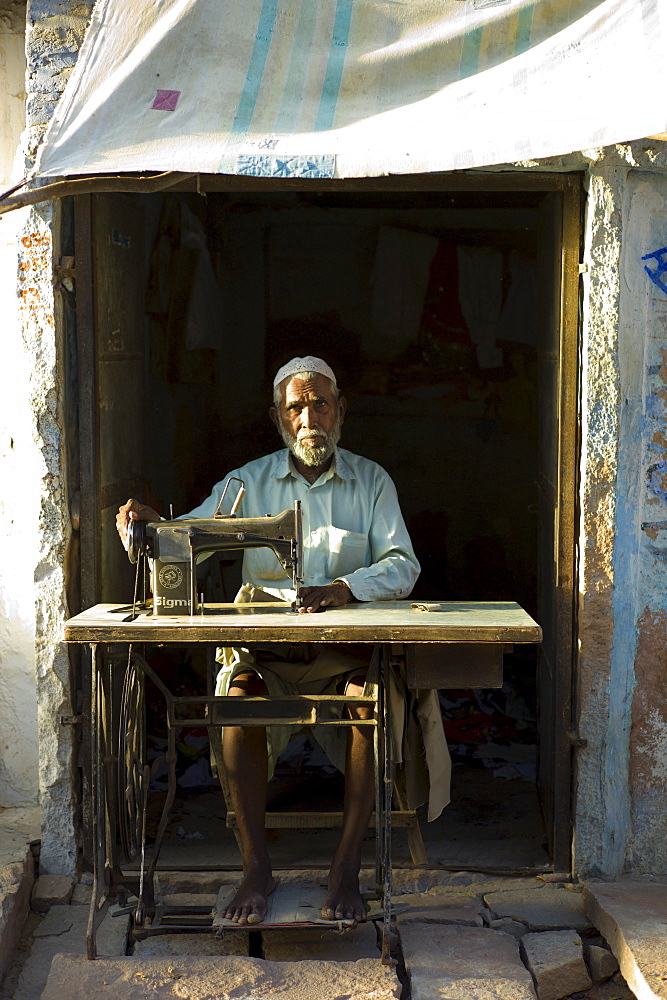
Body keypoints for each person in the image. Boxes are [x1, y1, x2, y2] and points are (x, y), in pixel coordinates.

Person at [116, 356, 448, 927]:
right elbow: (186, 537)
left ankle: (346, 868)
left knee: (369, 707)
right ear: (277, 418)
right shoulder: (246, 484)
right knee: (238, 704)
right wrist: (148, 527)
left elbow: (403, 564)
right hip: (265, 656)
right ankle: (255, 868)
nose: (309, 418)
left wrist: (343, 588)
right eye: (296, 407)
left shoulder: (371, 482)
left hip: (339, 656)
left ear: (341, 410)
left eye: (321, 403)